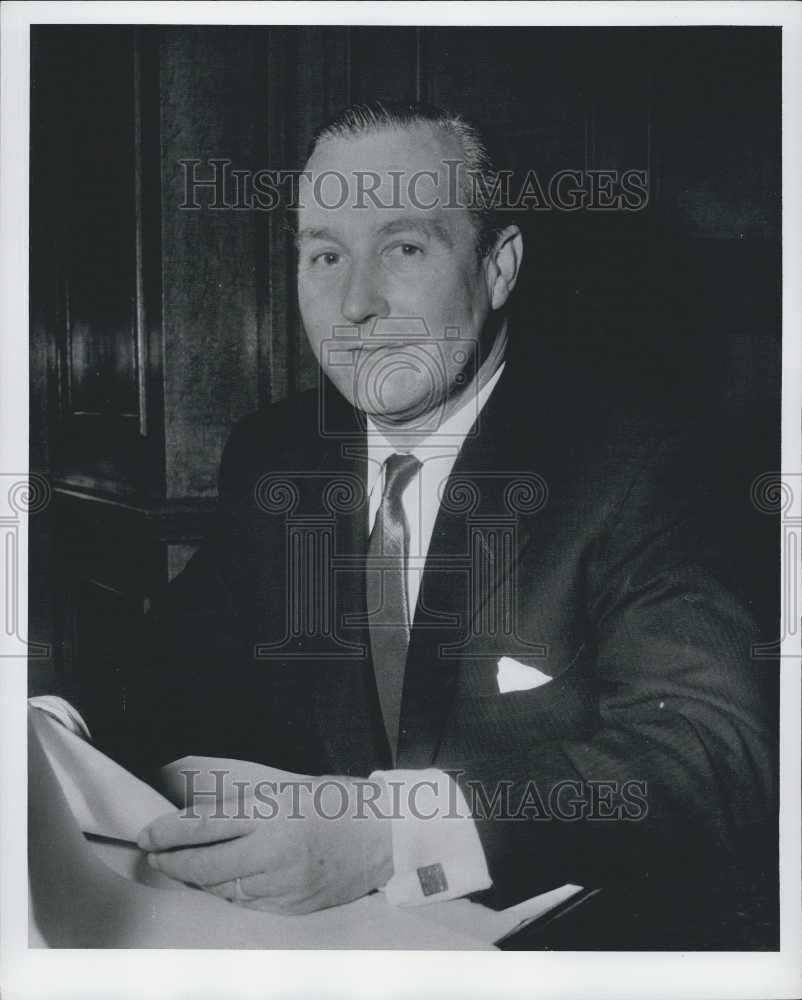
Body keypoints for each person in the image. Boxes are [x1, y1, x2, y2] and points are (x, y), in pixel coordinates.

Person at [37, 102, 775, 939]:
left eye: (405, 248)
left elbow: (716, 758)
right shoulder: (281, 454)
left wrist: (391, 838)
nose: (354, 305)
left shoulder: (644, 464)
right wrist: (46, 727)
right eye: (324, 255)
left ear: (498, 267)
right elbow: (170, 658)